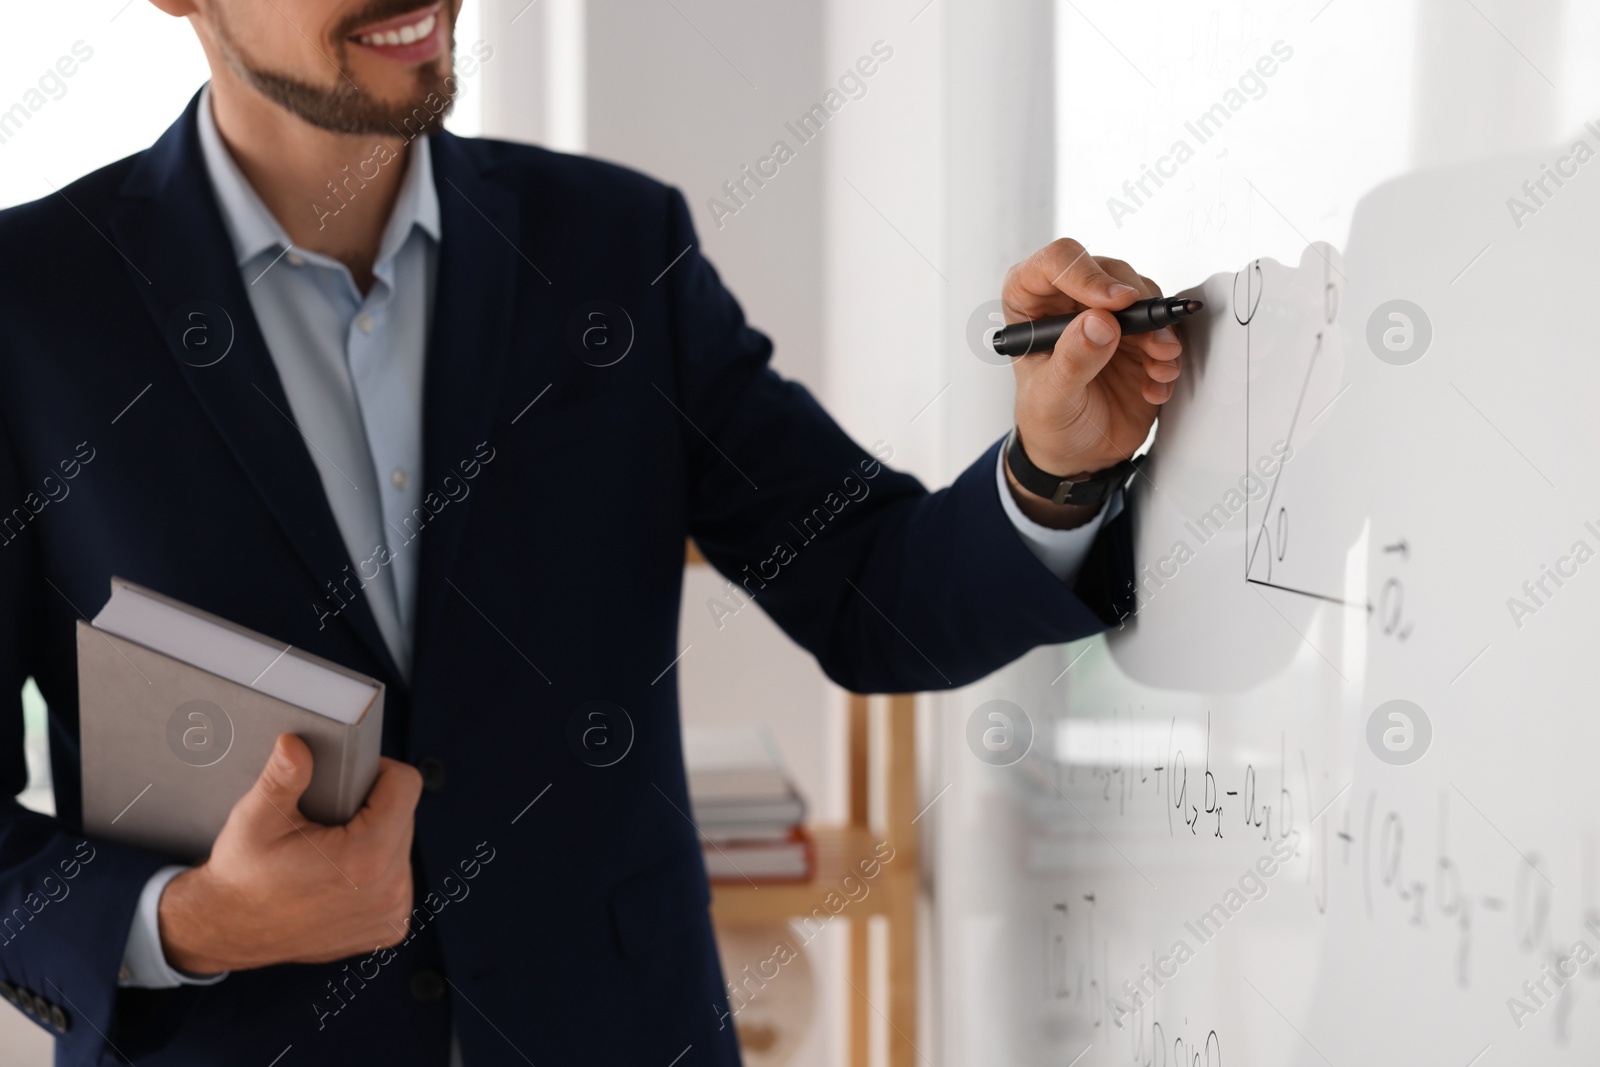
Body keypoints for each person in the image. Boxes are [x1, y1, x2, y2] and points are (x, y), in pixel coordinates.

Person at [0, 1, 1184, 1063]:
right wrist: (191, 920)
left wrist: (1053, 468)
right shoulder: (34, 305)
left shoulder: (613, 248)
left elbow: (869, 591)